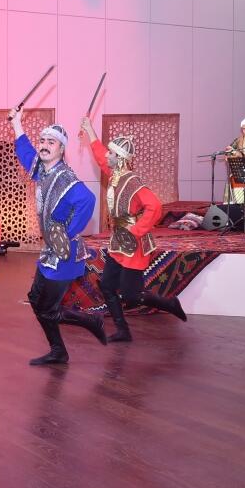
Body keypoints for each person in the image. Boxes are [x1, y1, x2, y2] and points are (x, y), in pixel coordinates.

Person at [8, 109, 105, 365]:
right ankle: (58, 350)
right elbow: (26, 153)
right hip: (51, 252)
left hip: (65, 255)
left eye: (51, 142)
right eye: (42, 141)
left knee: (47, 309)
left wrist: (67, 233)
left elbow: (88, 200)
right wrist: (17, 123)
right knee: (36, 300)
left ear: (62, 149)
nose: (44, 145)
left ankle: (89, 322)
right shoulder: (43, 171)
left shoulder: (66, 179)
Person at [79, 117, 186, 342]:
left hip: (133, 244)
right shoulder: (115, 176)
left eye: (111, 153)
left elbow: (155, 206)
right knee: (107, 286)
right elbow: (99, 156)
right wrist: (89, 129)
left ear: (119, 158)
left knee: (131, 295)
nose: (107, 155)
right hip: (119, 241)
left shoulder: (132, 182)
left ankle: (169, 304)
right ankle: (123, 330)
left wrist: (135, 231)